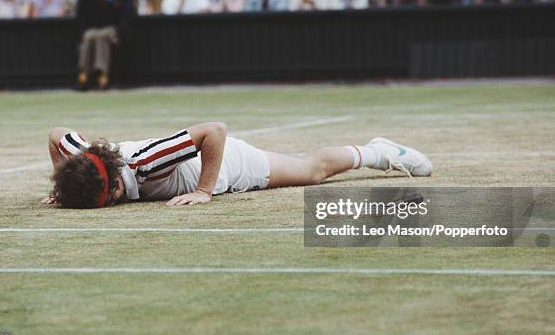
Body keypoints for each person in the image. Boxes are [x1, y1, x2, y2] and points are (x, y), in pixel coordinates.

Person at [42, 123, 433, 208]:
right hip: (205, 169)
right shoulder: (82, 158)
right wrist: (62, 189)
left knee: (312, 172)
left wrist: (203, 191)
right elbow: (56, 132)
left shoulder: (145, 163)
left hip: (229, 164)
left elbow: (214, 130)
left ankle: (381, 152)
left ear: (112, 186)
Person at [75, 0, 135, 90]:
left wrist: (119, 32)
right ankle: (83, 74)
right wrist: (82, 31)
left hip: (113, 27)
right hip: (93, 27)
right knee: (89, 36)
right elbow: (81, 11)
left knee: (102, 37)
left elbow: (128, 11)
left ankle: (103, 75)